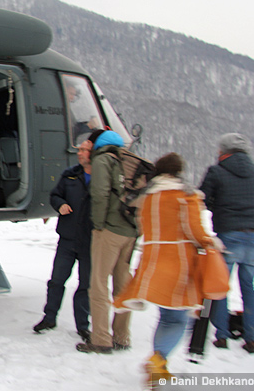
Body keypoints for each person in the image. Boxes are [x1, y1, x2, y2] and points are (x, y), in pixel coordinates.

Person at [113, 153, 219, 388]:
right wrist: (210, 243)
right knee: (178, 319)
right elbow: (194, 230)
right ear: (178, 171)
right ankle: (158, 360)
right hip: (179, 263)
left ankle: (158, 367)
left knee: (167, 316)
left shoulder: (147, 197)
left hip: (152, 262)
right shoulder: (185, 196)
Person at [199, 133, 254, 354]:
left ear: (224, 151)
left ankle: (222, 336)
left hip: (228, 235)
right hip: (253, 237)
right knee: (249, 287)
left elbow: (204, 199)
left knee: (221, 287)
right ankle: (252, 337)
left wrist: (220, 208)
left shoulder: (216, 171)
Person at [76, 129, 139, 354]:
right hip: (130, 231)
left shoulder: (103, 159)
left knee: (99, 284)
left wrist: (98, 224)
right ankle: (122, 337)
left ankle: (101, 339)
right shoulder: (126, 160)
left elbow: (100, 192)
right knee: (123, 285)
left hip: (110, 231)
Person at [34, 139, 93, 342]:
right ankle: (49, 318)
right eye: (80, 149)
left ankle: (83, 326)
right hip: (67, 239)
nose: (80, 153)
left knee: (85, 286)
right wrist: (60, 205)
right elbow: (55, 195)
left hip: (90, 242)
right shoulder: (70, 174)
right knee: (56, 281)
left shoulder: (102, 179)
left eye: (85, 150)